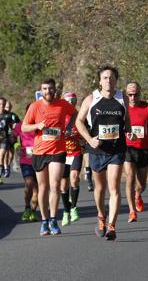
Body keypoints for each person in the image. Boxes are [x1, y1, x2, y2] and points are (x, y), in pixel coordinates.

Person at [76, 66, 134, 241]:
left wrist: (129, 130)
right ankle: (101, 216)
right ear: (100, 81)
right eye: (105, 78)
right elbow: (79, 122)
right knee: (100, 188)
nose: (108, 81)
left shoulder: (122, 98)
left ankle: (112, 226)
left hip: (116, 149)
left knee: (114, 187)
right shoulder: (91, 99)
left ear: (116, 80)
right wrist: (89, 139)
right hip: (97, 150)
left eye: (112, 78)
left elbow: (127, 119)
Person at [22, 78, 77, 236]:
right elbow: (25, 127)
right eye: (45, 89)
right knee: (43, 187)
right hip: (40, 152)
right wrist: (37, 126)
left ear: (55, 90)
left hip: (58, 151)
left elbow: (75, 114)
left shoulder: (62, 104)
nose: (48, 91)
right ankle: (44, 221)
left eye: (50, 88)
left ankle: (53, 219)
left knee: (55, 185)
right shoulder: (35, 106)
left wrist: (68, 127)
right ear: (41, 91)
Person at [123, 82, 148, 222]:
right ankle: (131, 210)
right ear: (126, 94)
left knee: (141, 184)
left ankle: (137, 195)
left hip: (144, 148)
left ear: (140, 93)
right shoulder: (122, 109)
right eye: (130, 95)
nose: (133, 97)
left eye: (135, 94)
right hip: (128, 148)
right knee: (130, 176)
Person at [59, 92, 83, 226]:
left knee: (74, 178)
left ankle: (73, 208)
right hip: (63, 153)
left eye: (73, 101)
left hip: (75, 152)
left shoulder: (79, 116)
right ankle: (66, 211)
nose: (71, 103)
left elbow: (86, 132)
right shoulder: (60, 116)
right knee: (63, 185)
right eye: (69, 101)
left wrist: (79, 136)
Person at [13, 103, 39, 222]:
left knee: (38, 188)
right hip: (26, 159)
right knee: (29, 183)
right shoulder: (20, 125)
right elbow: (12, 138)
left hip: (40, 159)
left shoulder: (41, 125)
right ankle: (27, 207)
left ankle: (33, 211)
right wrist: (17, 146)